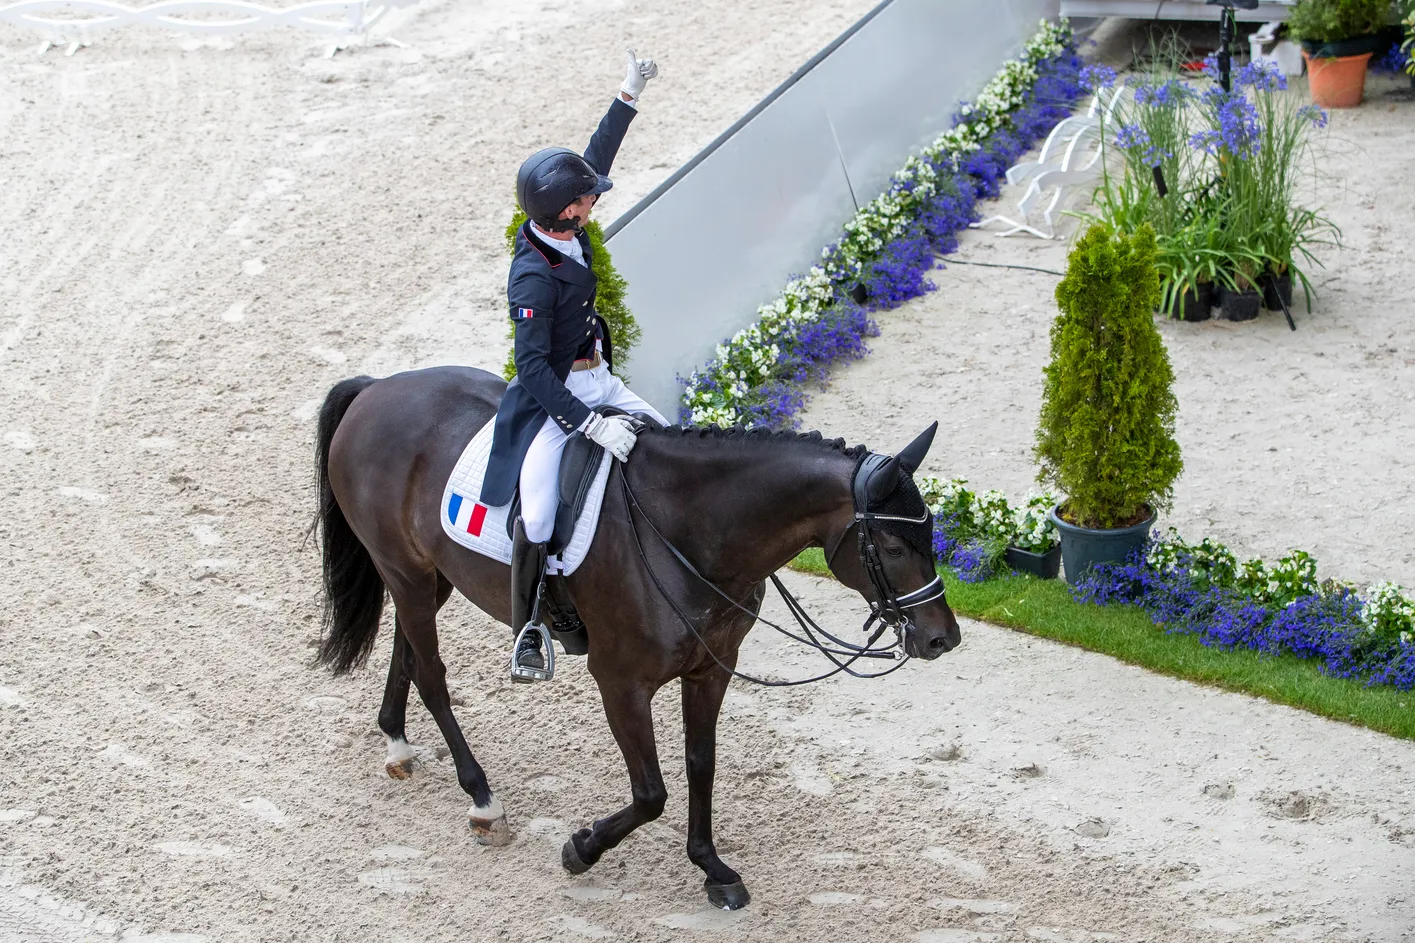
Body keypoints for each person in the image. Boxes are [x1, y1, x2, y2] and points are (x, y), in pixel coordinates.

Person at [479, 50, 669, 683]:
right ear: (568, 211)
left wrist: (628, 94)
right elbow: (531, 371)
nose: (594, 200)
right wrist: (587, 424)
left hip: (599, 377)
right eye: (587, 200)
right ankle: (530, 627)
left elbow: (597, 159)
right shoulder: (533, 275)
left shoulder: (565, 225)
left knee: (669, 448)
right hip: (553, 402)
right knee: (536, 514)